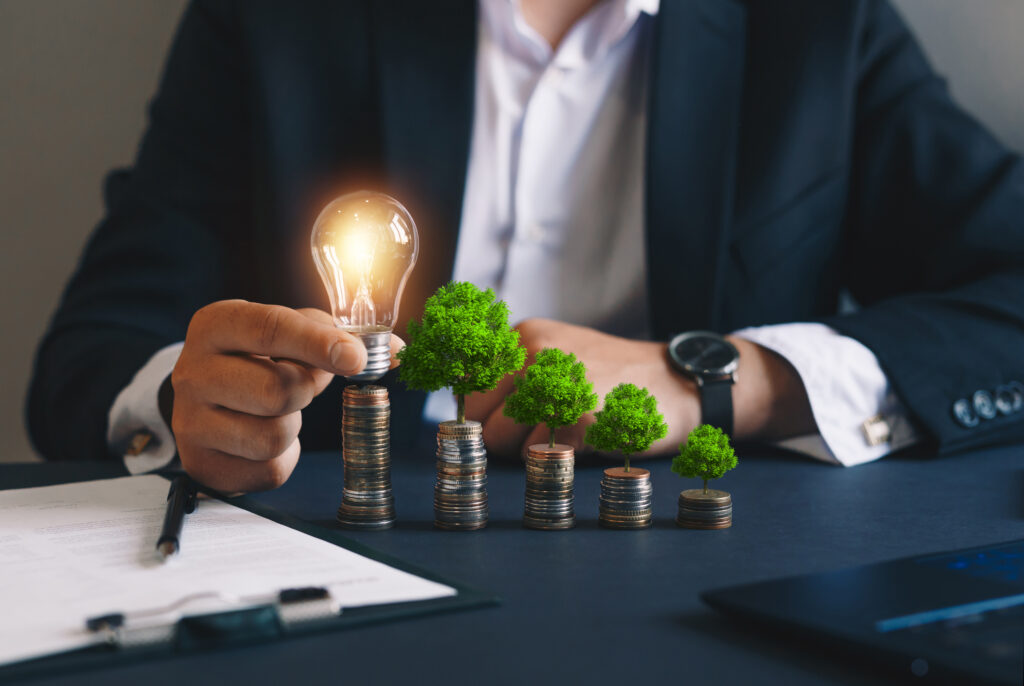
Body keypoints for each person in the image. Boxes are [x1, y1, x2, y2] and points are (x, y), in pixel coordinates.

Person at [27, 0, 1024, 493]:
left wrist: (719, 380)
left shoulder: (813, 25)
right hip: (338, 568)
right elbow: (90, 358)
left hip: (685, 580)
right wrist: (186, 399)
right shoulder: (280, 19)